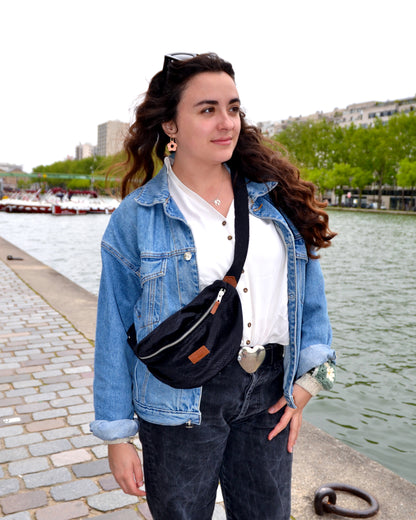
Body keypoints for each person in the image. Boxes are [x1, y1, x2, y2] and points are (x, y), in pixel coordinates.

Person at [91, 52, 336, 520]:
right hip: (179, 399)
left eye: (233, 108)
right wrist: (118, 437)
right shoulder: (137, 219)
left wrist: (309, 382)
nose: (227, 122)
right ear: (171, 126)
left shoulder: (275, 199)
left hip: (268, 391)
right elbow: (114, 330)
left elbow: (310, 305)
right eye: (208, 109)